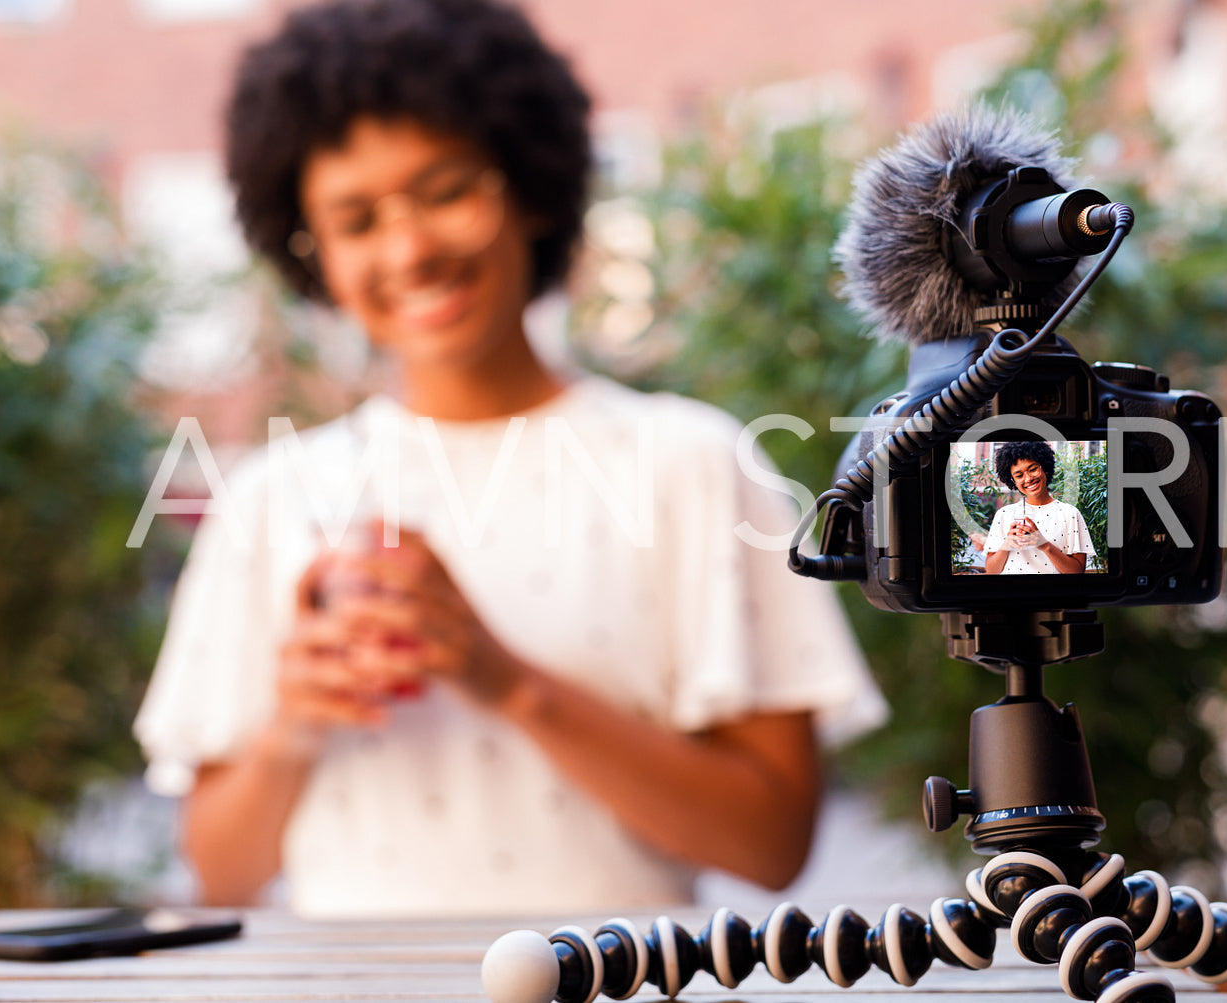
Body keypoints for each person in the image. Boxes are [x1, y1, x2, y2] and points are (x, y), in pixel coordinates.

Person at [133, 0, 884, 919]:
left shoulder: (691, 463)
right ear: (314, 256)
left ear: (528, 187)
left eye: (446, 190)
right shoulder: (271, 496)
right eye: (357, 219)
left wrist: (504, 679)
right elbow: (221, 875)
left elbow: (772, 846)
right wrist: (291, 724)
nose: (408, 249)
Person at [974, 441, 1095, 575]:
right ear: (1012, 481)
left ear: (1045, 468)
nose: (1028, 478)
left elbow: (1077, 571)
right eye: (1019, 475)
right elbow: (991, 571)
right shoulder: (1003, 514)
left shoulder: (1069, 513)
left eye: (1032, 469)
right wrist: (1006, 546)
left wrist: (1044, 545)